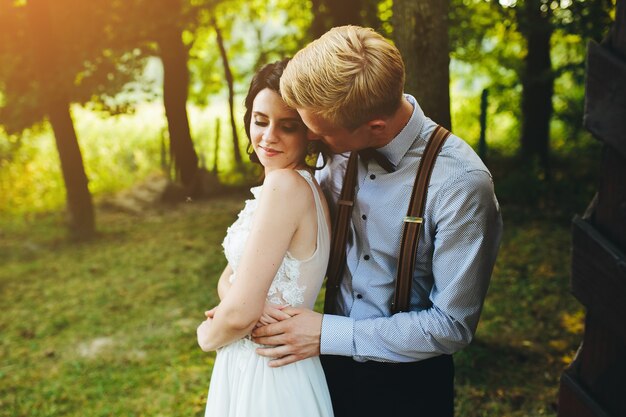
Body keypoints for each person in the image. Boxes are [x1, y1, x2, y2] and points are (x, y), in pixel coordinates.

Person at [251, 26, 503, 417]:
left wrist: (328, 333)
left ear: (376, 129)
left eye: (319, 133)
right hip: (320, 369)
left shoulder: (461, 185)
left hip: (410, 387)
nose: (312, 140)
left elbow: (453, 324)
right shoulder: (338, 143)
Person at [196, 59, 334, 417]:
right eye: (260, 121)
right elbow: (229, 278)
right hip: (267, 364)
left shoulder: (284, 186)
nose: (268, 136)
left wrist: (207, 334)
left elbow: (239, 314)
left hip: (268, 372)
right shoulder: (299, 184)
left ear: (309, 132)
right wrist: (250, 307)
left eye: (287, 126)